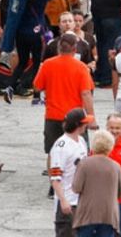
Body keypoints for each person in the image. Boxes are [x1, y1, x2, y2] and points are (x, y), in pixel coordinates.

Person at [33, 33, 96, 168]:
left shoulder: (48, 65)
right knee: (80, 151)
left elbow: (37, 87)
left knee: (53, 152)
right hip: (76, 117)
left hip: (53, 116)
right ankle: (78, 181)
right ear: (74, 49)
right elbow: (86, 93)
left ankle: (53, 183)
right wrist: (91, 118)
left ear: (58, 48)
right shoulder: (81, 67)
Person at [0, 0, 57, 100]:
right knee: (37, 62)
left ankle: (10, 87)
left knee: (22, 61)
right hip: (35, 33)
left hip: (21, 33)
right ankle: (35, 91)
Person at [71, 130, 121, 237]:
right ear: (110, 146)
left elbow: (76, 188)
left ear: (94, 145)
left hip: (87, 214)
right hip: (108, 215)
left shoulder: (84, 164)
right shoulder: (115, 166)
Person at [49, 108, 91, 237]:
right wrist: (63, 200)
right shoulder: (61, 147)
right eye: (85, 123)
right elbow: (55, 178)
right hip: (68, 203)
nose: (87, 125)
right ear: (78, 125)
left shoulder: (81, 141)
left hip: (81, 201)